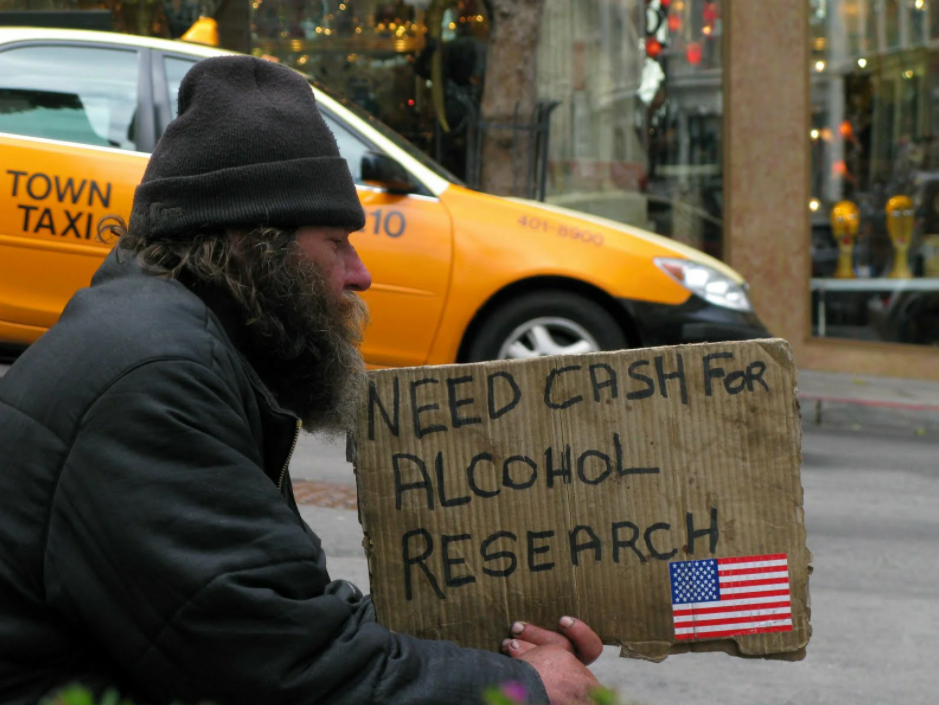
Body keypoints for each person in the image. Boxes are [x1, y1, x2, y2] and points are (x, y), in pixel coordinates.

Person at [0, 56, 603, 704]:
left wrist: (496, 647)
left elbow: (279, 608)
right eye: (336, 241)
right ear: (254, 245)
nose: (360, 273)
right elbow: (285, 665)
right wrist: (523, 685)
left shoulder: (178, 343)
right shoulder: (159, 379)